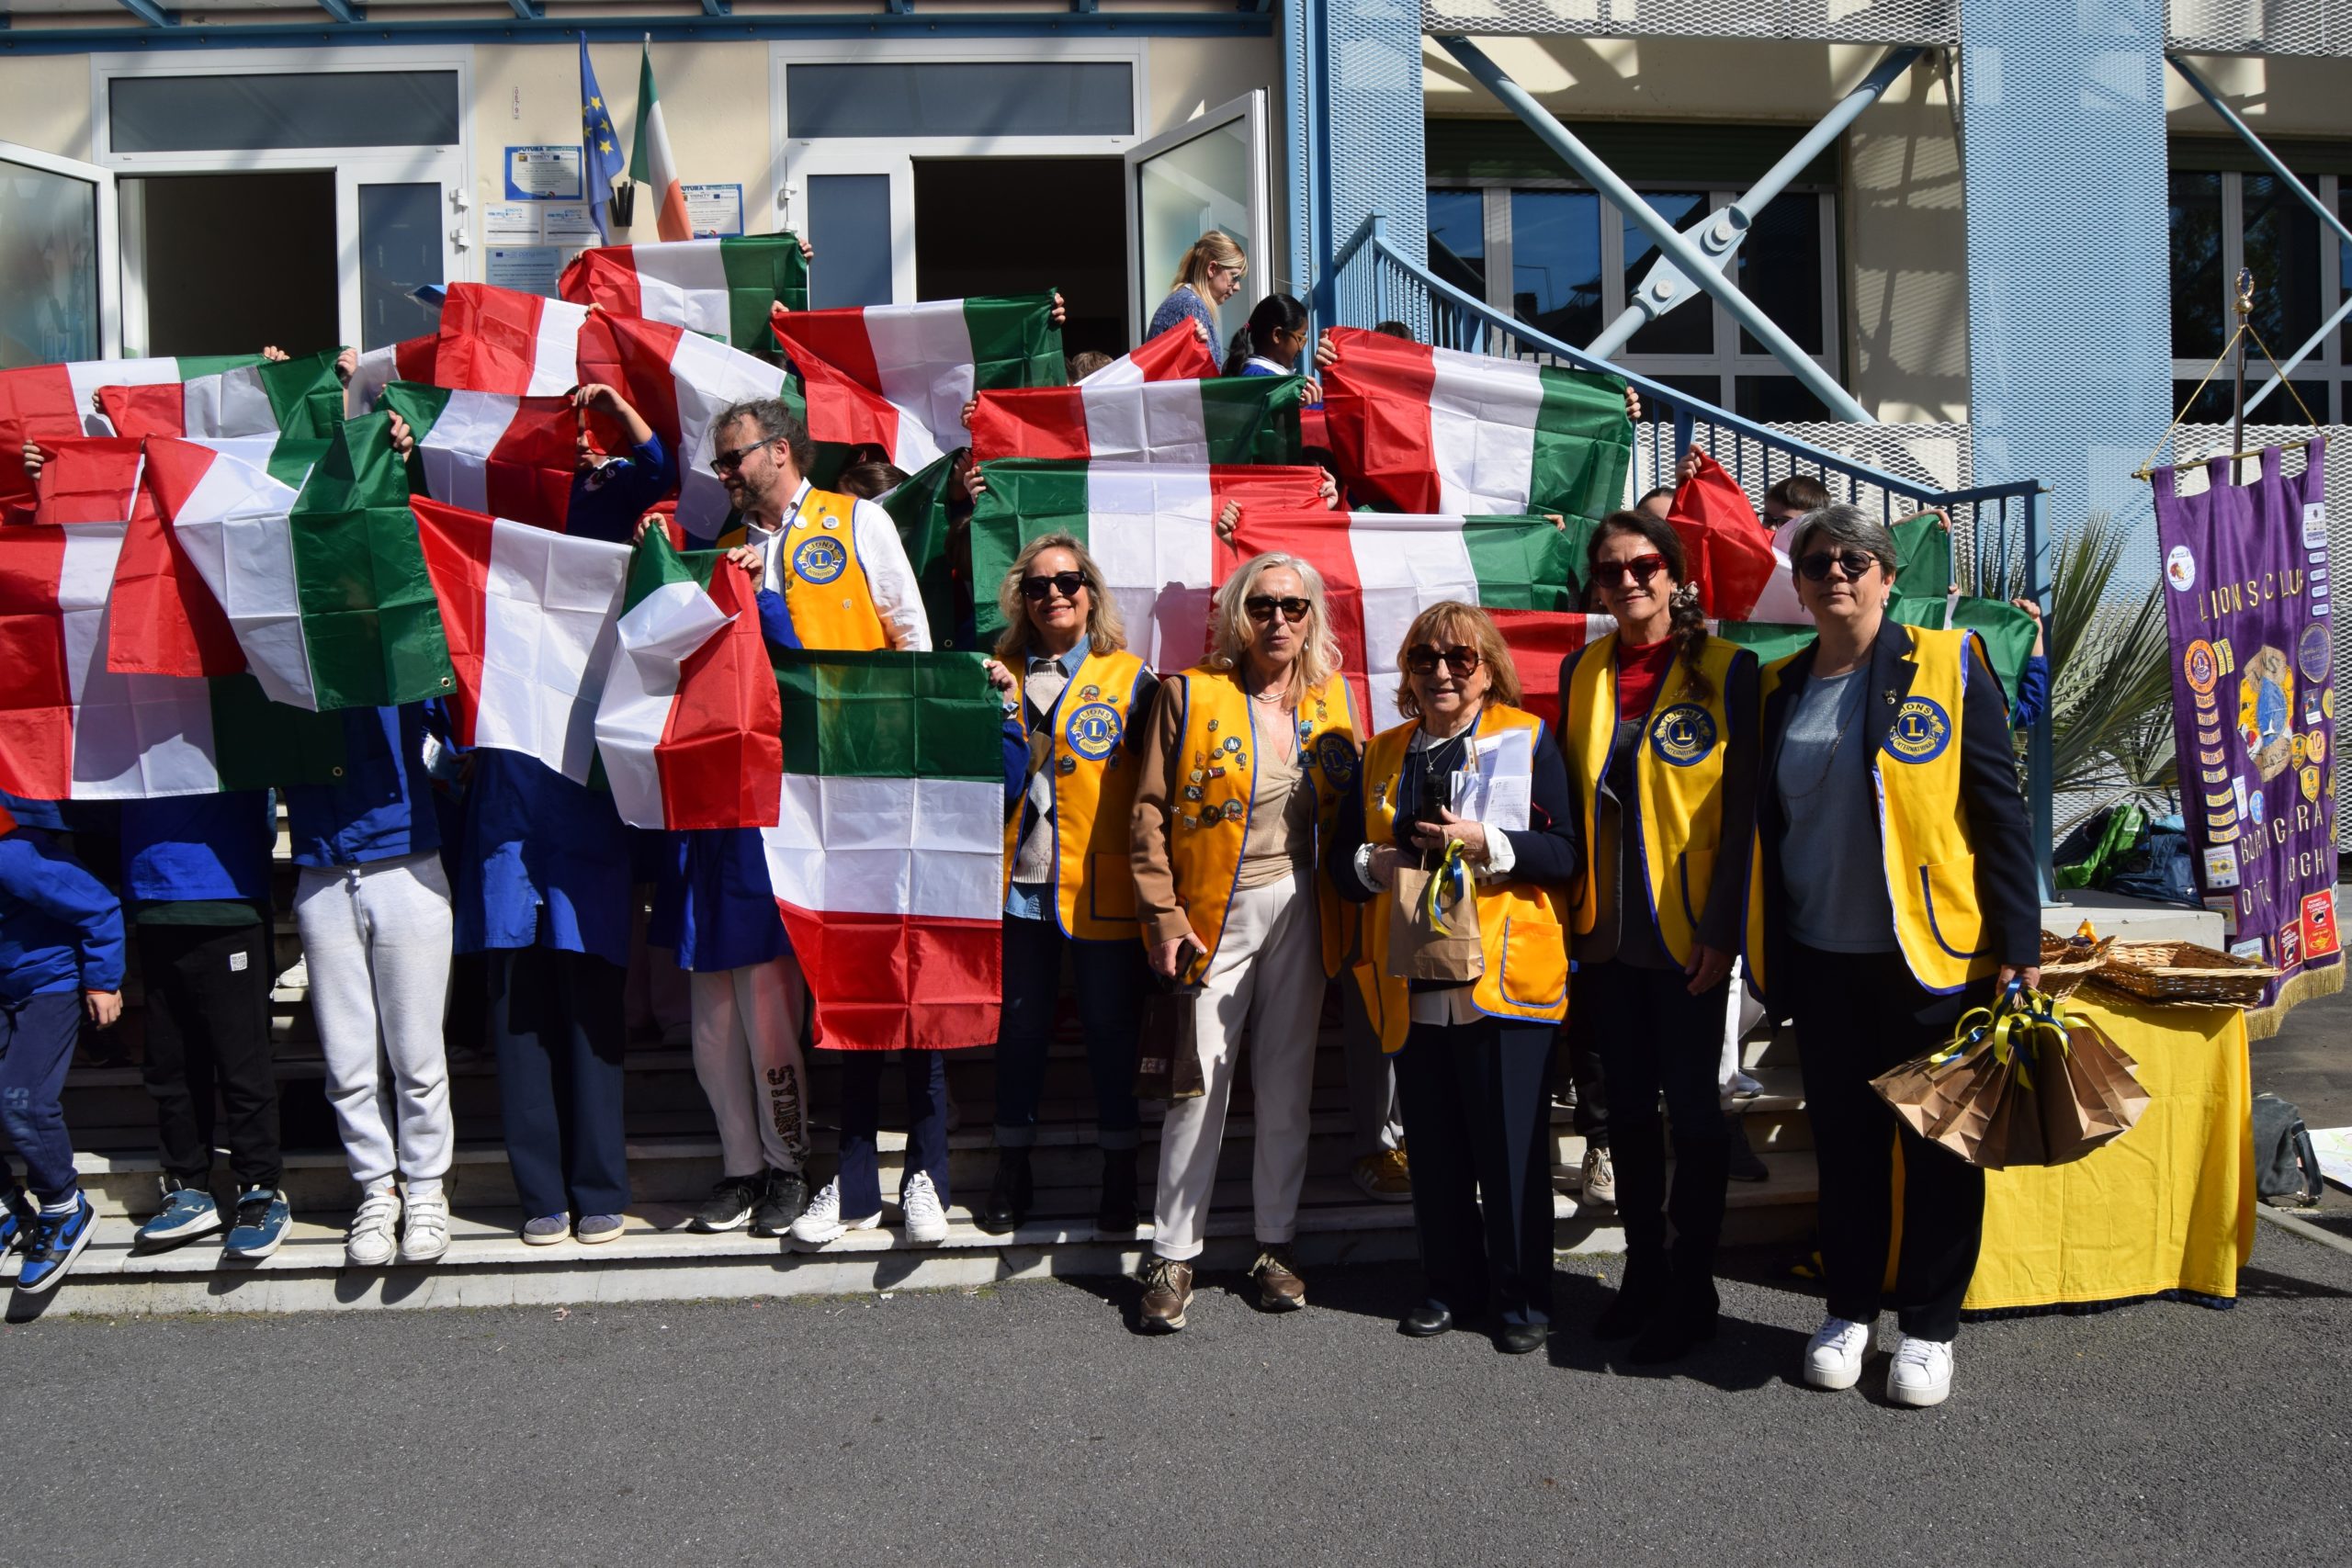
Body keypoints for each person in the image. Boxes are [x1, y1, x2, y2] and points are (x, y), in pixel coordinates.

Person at [1757, 502, 2039, 1409]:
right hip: (1821, 961)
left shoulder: (1950, 664)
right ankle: (1847, 1312)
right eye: (1817, 563)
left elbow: (1999, 813)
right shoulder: (1778, 688)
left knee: (1939, 1153)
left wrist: (2020, 944)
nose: (1835, 573)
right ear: (1800, 587)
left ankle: (1928, 1328)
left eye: (1854, 559)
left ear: (1887, 576)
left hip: (1933, 962)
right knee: (1846, 1151)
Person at [1330, 604, 1579, 1354]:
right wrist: (1374, 863)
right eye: (1424, 658)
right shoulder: (1383, 751)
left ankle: (1523, 1299)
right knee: (1434, 1149)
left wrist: (1486, 841)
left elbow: (1566, 854)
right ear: (1407, 672)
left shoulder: (1528, 738)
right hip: (1412, 976)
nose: (1441, 672)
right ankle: (1447, 1285)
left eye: (1459, 658)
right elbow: (1341, 863)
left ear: (1488, 668)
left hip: (1503, 976)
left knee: (1510, 1150)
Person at [1128, 552, 1361, 1331]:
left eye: (1293, 606)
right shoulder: (1189, 693)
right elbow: (1148, 812)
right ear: (1238, 615)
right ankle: (1172, 1253)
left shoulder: (1333, 699)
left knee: (1288, 1083)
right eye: (1263, 606)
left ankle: (1275, 1245)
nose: (1278, 620)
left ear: (1312, 615)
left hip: (1303, 901)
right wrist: (1163, 916)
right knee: (1197, 1087)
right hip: (1211, 910)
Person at [1559, 509, 1760, 1364]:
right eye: (1611, 570)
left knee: (1697, 1115)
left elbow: (1745, 812)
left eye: (1644, 565)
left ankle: (1693, 1286)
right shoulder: (1582, 669)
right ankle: (1642, 1272)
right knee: (1629, 1114)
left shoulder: (1728, 668)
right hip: (1606, 935)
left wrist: (1724, 926)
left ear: (1675, 575)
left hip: (1689, 934)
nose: (1628, 581)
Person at [977, 535, 1155, 1237]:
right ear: (1021, 599)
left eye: (1068, 582)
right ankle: (1011, 1166)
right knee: (1020, 1028)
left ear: (1090, 592)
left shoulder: (1132, 678)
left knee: (1112, 1030)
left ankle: (1120, 1172)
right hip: (1017, 886)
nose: (1054, 594)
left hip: (1100, 886)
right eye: (1037, 585)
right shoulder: (994, 672)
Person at [285, 705, 456, 1267]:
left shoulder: (403, 659)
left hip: (406, 857)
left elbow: (450, 733)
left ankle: (425, 1189)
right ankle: (376, 1188)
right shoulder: (289, 668)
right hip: (322, 865)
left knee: (417, 1054)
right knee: (348, 1061)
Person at [119, 793, 289, 1260]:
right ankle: (187, 1188)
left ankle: (261, 1189)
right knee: (170, 1063)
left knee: (242, 1062)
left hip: (228, 896)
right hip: (153, 897)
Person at [0, 801, 122, 1294]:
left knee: (22, 1100)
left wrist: (103, 982)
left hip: (47, 984)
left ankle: (64, 1207)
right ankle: (7, 1208)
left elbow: (100, 907)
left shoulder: (15, 853)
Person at [390, 381, 672, 545]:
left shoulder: (615, 475)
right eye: (573, 434)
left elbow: (660, 473)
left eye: (592, 432)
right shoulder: (524, 475)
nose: (584, 443)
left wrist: (621, 410)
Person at [1146, 231, 1246, 348]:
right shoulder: (1191, 305)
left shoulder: (1185, 300)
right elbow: (1203, 359)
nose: (1237, 287)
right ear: (1212, 269)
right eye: (1234, 277)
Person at [1223, 292, 1321, 401]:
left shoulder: (1255, 375)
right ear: (1277, 335)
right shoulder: (1265, 382)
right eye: (1300, 339)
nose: (1301, 348)